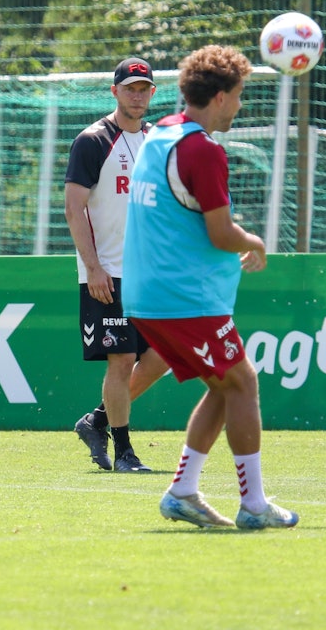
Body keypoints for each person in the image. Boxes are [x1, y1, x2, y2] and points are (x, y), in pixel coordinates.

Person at [122, 44, 299, 530]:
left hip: (151, 294)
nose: (240, 107)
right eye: (239, 96)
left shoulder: (161, 133)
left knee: (223, 387)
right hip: (185, 298)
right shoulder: (202, 149)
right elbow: (221, 234)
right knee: (242, 382)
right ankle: (255, 505)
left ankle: (182, 492)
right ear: (219, 97)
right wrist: (254, 240)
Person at [65, 58, 169, 473]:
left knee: (163, 357)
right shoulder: (93, 140)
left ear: (152, 93)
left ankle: (98, 421)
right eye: (130, 88)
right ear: (115, 91)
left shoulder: (157, 141)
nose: (137, 95)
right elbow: (74, 209)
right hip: (107, 270)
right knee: (122, 359)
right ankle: (124, 451)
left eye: (144, 88)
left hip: (150, 275)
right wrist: (93, 268)